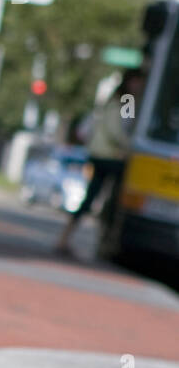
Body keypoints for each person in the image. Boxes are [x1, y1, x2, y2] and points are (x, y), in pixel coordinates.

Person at [54, 69, 145, 257]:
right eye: (138, 82)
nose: (140, 86)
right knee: (113, 199)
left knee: (93, 197)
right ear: (131, 82)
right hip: (110, 156)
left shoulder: (113, 101)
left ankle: (67, 238)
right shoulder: (125, 101)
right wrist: (131, 148)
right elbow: (120, 131)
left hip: (100, 154)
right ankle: (104, 241)